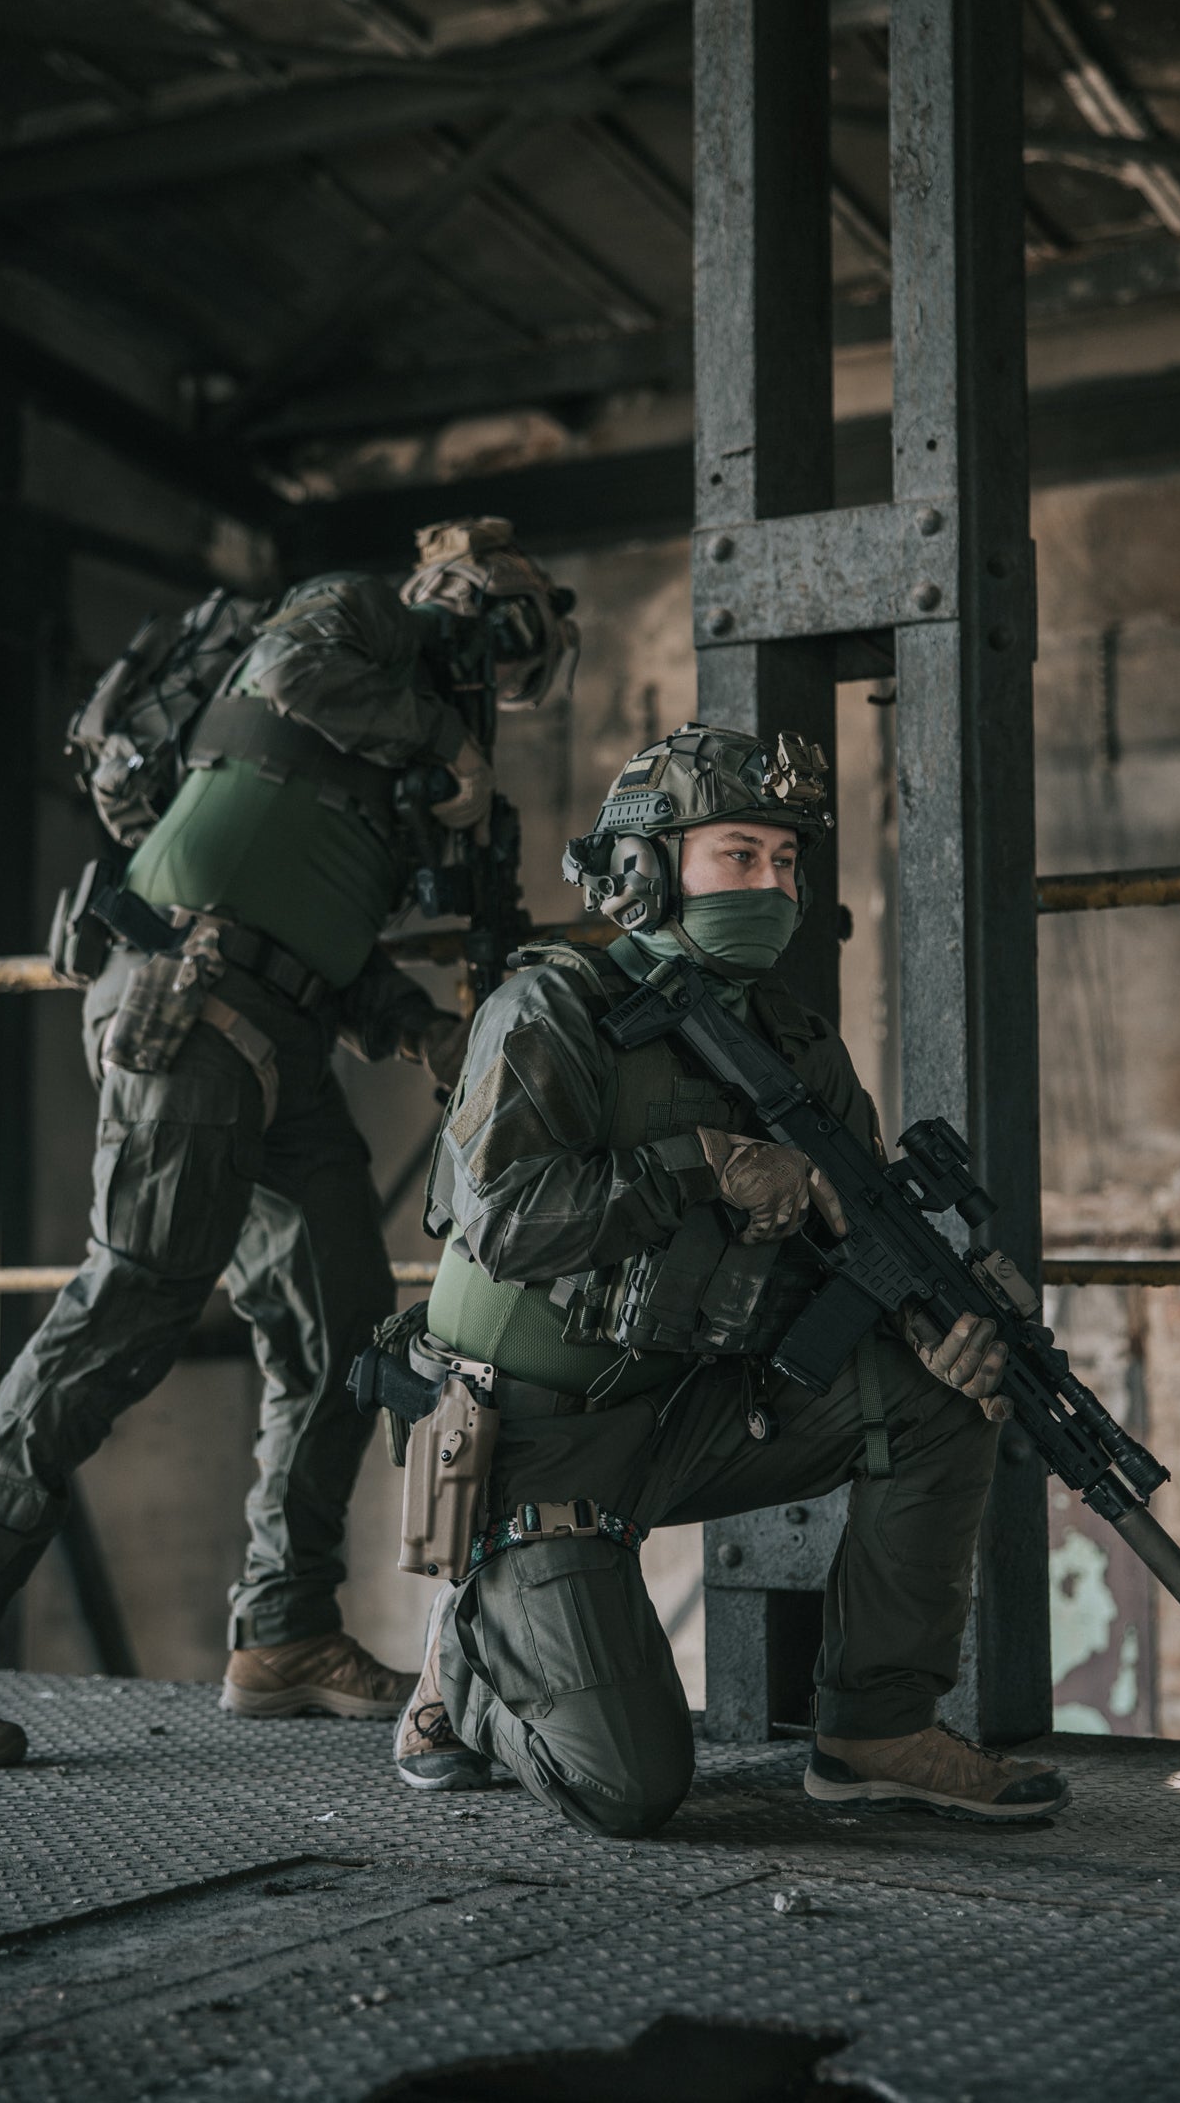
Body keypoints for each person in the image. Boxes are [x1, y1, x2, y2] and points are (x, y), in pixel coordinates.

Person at [0, 519, 579, 1771]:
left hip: (278, 1032)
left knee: (345, 1322)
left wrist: (414, 1029)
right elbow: (287, 678)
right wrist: (444, 739)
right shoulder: (353, 617)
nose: (494, 677)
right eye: (505, 639)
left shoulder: (394, 771)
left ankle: (284, 1630)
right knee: (135, 1294)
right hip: (187, 995)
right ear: (465, 594)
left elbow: (329, 938)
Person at [391, 721, 1068, 1834]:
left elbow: (851, 1235)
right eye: (739, 855)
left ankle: (873, 1731)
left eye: (787, 861)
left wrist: (940, 1306)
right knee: (629, 1786)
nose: (772, 883)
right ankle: (467, 1682)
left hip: (685, 1408)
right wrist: (696, 1165)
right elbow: (503, 1219)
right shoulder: (552, 1012)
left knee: (948, 1394)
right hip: (529, 1443)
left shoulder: (795, 1044)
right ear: (645, 871)